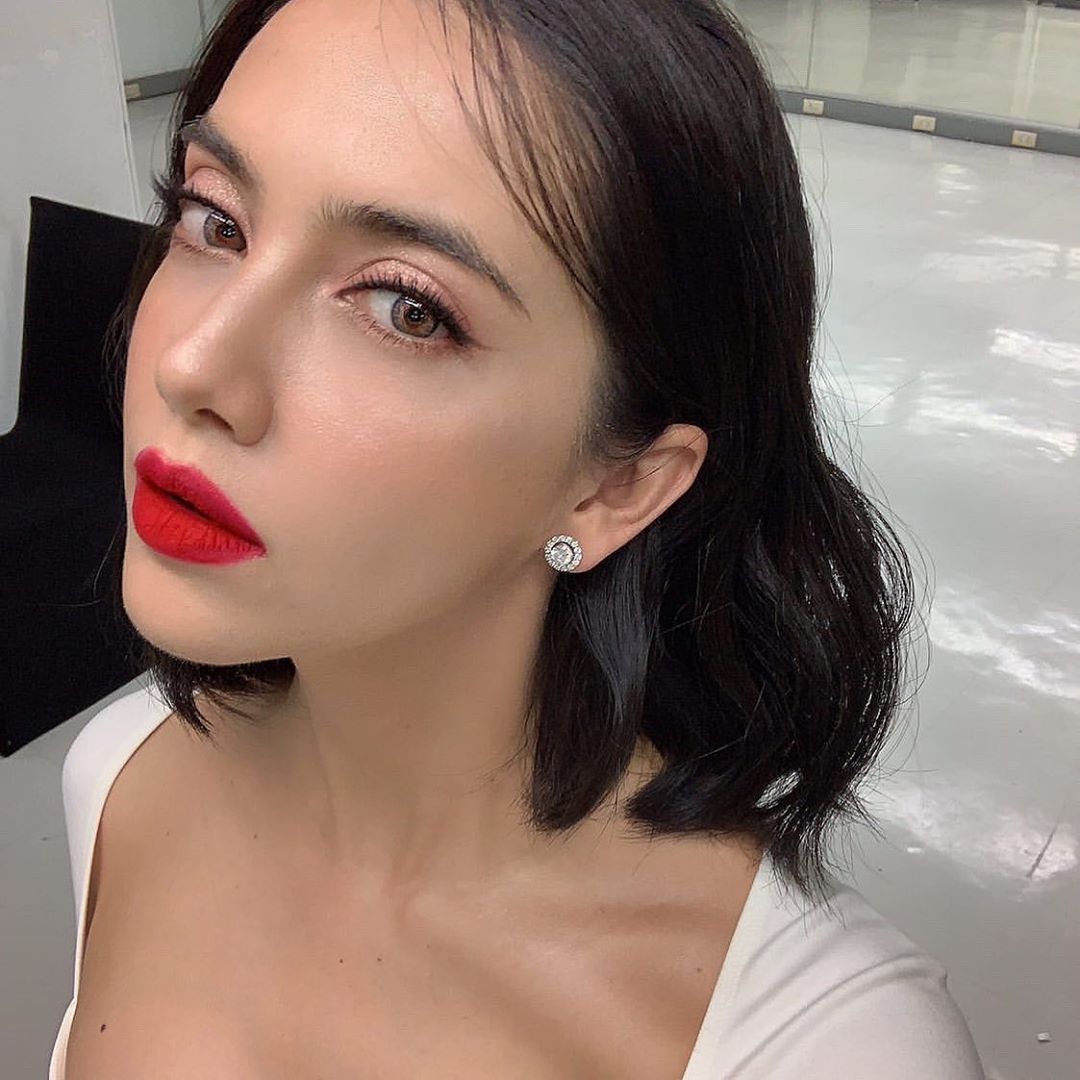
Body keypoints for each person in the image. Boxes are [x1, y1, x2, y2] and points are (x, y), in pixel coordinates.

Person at [51, 0, 986, 1076]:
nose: (195, 367)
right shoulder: (121, 779)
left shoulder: (828, 1050)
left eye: (406, 309)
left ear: (619, 486)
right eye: (216, 221)